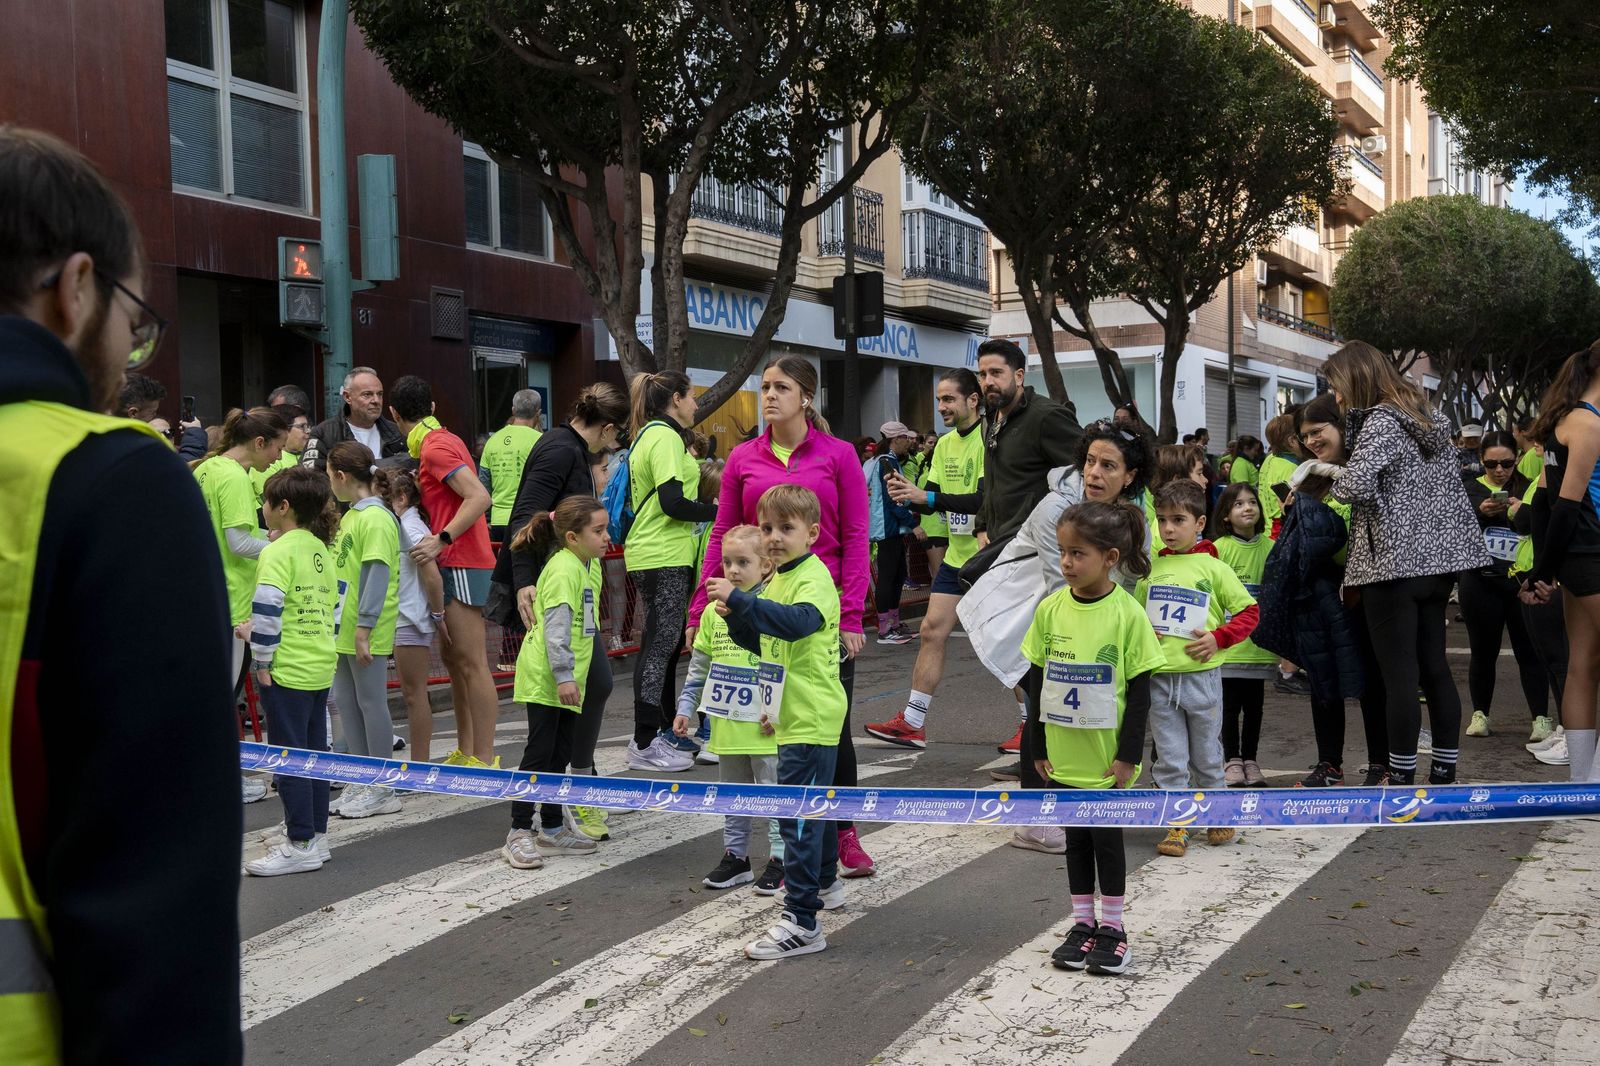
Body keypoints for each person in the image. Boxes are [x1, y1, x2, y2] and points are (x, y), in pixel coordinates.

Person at [0, 124, 241, 1062]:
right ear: (75, 288)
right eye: (134, 322)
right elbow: (152, 907)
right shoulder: (105, 482)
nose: (128, 356)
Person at [689, 356, 876, 877]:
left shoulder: (838, 455)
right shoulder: (742, 458)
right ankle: (768, 846)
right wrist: (703, 605)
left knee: (828, 726)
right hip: (755, 605)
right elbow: (724, 532)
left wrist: (855, 616)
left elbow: (858, 537)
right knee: (766, 721)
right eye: (765, 387)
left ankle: (844, 833)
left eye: (781, 387)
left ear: (806, 396)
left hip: (821, 604)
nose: (769, 395)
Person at [960, 419, 1154, 853]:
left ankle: (1079, 804)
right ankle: (1037, 820)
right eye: (1089, 462)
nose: (1094, 474)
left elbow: (1140, 568)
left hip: (1095, 621)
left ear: (1130, 475)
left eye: (1108, 465)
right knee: (1041, 711)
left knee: (1076, 714)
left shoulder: (1134, 511)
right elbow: (1061, 583)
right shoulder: (1057, 510)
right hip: (1043, 620)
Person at [1326, 341, 1488, 786]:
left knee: (1399, 675)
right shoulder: (1430, 417)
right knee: (1434, 667)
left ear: (1355, 379)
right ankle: (1444, 769)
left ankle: (1400, 776)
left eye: (1337, 387)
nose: (1336, 398)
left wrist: (1327, 476)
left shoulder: (1380, 421)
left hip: (1390, 566)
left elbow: (1353, 486)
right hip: (1437, 565)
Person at [708, 486, 848, 959]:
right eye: (767, 528)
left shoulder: (813, 577)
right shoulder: (777, 580)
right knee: (813, 813)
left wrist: (745, 604)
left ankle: (801, 921)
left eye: (786, 529)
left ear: (811, 533)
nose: (773, 538)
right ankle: (824, 885)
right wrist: (736, 619)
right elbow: (767, 643)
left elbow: (798, 624)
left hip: (809, 715)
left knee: (797, 821)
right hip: (791, 715)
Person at [1025, 501, 1164, 976]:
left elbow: (1141, 693)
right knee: (1075, 844)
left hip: (1106, 763)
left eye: (1078, 554)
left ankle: (1114, 929)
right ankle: (1082, 924)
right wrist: (1037, 747)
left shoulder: (1127, 614)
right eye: (1063, 552)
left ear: (1109, 557)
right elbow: (1037, 682)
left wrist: (1128, 756)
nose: (1066, 563)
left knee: (1107, 845)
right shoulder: (1050, 610)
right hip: (1063, 758)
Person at [497, 384, 628, 835]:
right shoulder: (559, 450)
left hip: (573, 593)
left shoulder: (566, 447)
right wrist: (524, 582)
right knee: (552, 733)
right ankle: (572, 789)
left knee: (584, 700)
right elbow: (525, 517)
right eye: (614, 438)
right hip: (555, 596)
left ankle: (565, 798)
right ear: (607, 427)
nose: (613, 447)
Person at [1137, 479, 1258, 858]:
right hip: (1160, 680)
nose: (1169, 529)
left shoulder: (1213, 567)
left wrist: (1218, 638)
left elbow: (1249, 611)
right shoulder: (1151, 568)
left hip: (1201, 679)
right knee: (1170, 757)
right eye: (1161, 520)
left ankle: (1219, 814)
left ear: (1200, 522)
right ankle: (1178, 822)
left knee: (1206, 753)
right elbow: (1136, 617)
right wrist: (1145, 633)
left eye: (1178, 520)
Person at [867, 369, 986, 748]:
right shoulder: (945, 445)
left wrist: (926, 499)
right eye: (939, 399)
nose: (941, 407)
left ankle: (1029, 726)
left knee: (1004, 645)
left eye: (949, 399)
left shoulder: (991, 441)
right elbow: (930, 492)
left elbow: (981, 500)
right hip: (957, 558)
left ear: (973, 400)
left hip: (992, 560)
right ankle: (913, 722)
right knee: (931, 630)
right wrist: (907, 492)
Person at [388, 375, 500, 767]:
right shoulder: (437, 441)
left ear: (394, 414)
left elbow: (480, 496)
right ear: (432, 408)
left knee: (471, 663)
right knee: (456, 663)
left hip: (464, 559)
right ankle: (468, 751)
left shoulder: (435, 446)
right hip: (459, 559)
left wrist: (442, 538)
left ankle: (484, 757)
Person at [673, 525, 786, 893]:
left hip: (764, 725)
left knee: (772, 794)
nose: (733, 570)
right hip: (725, 724)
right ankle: (736, 857)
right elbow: (699, 666)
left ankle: (781, 859)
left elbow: (785, 665)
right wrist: (685, 708)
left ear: (766, 566)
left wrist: (778, 711)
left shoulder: (770, 609)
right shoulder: (710, 613)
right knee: (733, 794)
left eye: (743, 562)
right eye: (727, 562)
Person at [502, 496, 611, 867]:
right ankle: (518, 831)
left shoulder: (580, 565)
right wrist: (564, 676)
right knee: (539, 752)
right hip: (548, 676)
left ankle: (550, 827)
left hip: (564, 677)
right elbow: (557, 630)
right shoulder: (565, 569)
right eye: (598, 531)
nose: (606, 538)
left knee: (560, 752)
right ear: (572, 536)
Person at [244, 467, 339, 876]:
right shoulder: (321, 550)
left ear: (283, 507)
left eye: (265, 501)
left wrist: (261, 658)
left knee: (289, 759)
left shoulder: (276, 552)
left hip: (286, 669)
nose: (262, 509)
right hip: (319, 663)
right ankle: (316, 836)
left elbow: (267, 610)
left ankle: (299, 842)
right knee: (315, 754)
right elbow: (332, 610)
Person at [623, 371, 720, 768]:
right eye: (692, 396)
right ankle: (645, 741)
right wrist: (717, 511)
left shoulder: (652, 435)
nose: (696, 405)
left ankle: (660, 731)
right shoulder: (662, 436)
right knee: (661, 646)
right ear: (676, 399)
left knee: (662, 643)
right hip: (661, 551)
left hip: (658, 552)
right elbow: (672, 502)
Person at [194, 406, 289, 804]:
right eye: (278, 448)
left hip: (207, 595)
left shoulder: (207, 468)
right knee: (223, 694)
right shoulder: (232, 477)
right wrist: (281, 544)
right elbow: (237, 542)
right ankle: (221, 778)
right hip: (233, 603)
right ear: (259, 442)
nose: (279, 458)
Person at [1524, 341, 1600, 782]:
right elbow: (1564, 506)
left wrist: (1544, 570)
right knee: (1583, 665)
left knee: (1584, 664)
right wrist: (1544, 572)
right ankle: (1592, 781)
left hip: (1579, 556)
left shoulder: (1570, 420)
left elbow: (1542, 505)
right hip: (1591, 553)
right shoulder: (1586, 424)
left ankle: (1582, 783)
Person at [324, 442, 404, 818]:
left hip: (363, 626)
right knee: (348, 701)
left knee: (371, 703)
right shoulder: (355, 515)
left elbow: (377, 574)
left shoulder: (375, 518)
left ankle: (382, 786)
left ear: (341, 476)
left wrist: (365, 628)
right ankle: (361, 778)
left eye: (329, 476)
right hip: (344, 625)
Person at [1461, 431, 1550, 743]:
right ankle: (1480, 715)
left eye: (1507, 463)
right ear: (1482, 461)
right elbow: (1454, 531)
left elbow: (1543, 527)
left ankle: (1541, 718)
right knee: (1483, 653)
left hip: (1520, 583)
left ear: (1517, 459)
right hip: (1479, 583)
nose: (1499, 470)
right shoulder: (1469, 489)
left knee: (1531, 653)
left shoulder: (1528, 489)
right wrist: (1479, 513)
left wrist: (1518, 513)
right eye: (1491, 464)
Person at [375, 467, 448, 764]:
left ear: (402, 498)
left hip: (411, 617)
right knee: (412, 694)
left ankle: (419, 765)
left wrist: (438, 615)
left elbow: (432, 577)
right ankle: (418, 763)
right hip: (407, 616)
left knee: (414, 695)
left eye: (386, 498)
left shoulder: (411, 528)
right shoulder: (407, 524)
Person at [1508, 439, 1570, 766]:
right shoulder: (1542, 474)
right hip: (1536, 573)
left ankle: (1575, 734)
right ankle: (1566, 728)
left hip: (1555, 576)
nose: (1535, 447)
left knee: (1563, 662)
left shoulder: (1564, 471)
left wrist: (1548, 572)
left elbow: (1536, 517)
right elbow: (1533, 518)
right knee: (1551, 660)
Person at [1211, 483, 1274, 787]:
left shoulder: (1270, 548)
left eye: (1252, 502)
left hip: (1259, 647)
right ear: (1225, 515)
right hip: (1229, 646)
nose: (1247, 508)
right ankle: (1231, 760)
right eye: (1238, 504)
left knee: (1255, 707)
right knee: (1228, 706)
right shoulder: (1219, 549)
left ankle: (1251, 759)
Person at [864, 420, 921, 644]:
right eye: (906, 438)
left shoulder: (884, 461)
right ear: (896, 439)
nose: (909, 442)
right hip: (888, 528)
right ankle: (885, 629)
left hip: (889, 527)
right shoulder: (887, 463)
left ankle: (894, 624)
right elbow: (893, 499)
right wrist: (913, 524)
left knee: (897, 576)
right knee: (889, 577)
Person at [301, 366, 407, 470]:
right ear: (347, 397)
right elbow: (311, 480)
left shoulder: (397, 433)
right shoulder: (324, 434)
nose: (376, 400)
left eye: (380, 394)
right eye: (367, 394)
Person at [479, 388, 543, 541]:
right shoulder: (541, 441)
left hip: (497, 521)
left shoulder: (492, 441)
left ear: (513, 410)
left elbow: (483, 485)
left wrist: (486, 519)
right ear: (538, 412)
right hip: (528, 520)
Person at [119, 370, 206, 458]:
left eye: (168, 433)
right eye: (153, 412)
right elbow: (172, 469)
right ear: (133, 413)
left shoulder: (111, 439)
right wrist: (194, 435)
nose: (154, 416)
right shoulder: (129, 448)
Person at [252, 403, 310, 508]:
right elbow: (272, 501)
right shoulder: (268, 458)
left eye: (308, 426)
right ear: (285, 429)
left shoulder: (310, 453)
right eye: (302, 427)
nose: (308, 431)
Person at [1256, 413, 1302, 534]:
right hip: (1281, 531)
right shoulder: (1292, 467)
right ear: (1292, 440)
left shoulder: (1269, 459)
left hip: (1266, 530)